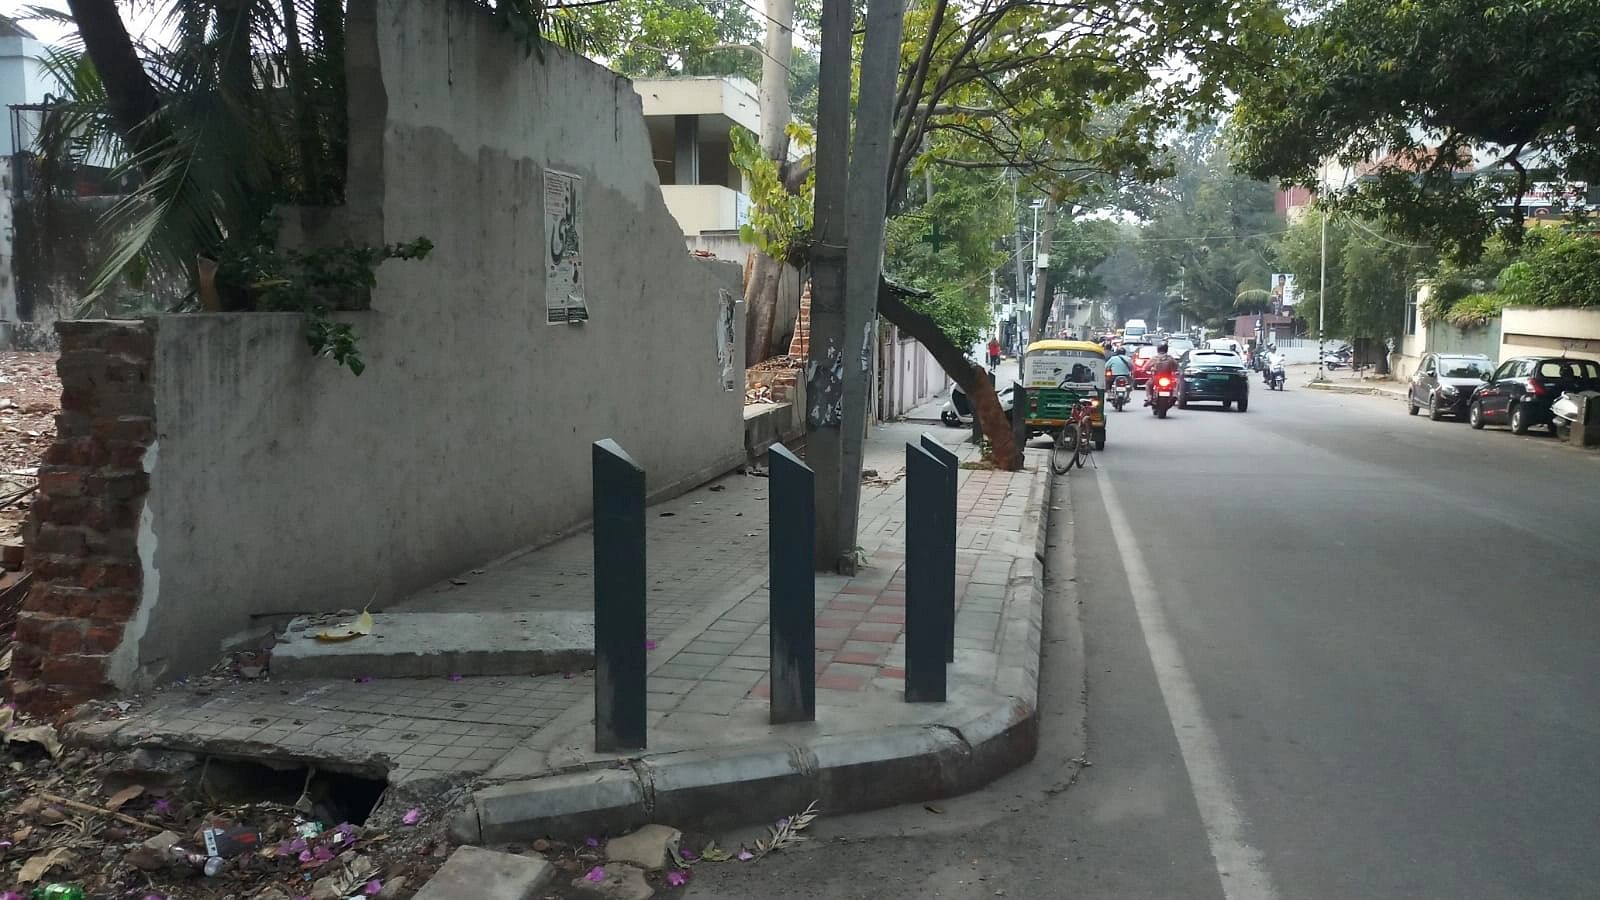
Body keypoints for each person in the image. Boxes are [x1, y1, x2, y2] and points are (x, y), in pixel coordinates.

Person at [1144, 341, 1180, 406]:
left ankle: (1149, 397)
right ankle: (1175, 395)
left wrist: (1148, 370)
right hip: (1168, 379)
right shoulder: (1170, 358)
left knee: (1148, 384)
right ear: (1166, 349)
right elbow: (1177, 368)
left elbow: (1145, 367)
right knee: (1176, 383)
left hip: (1156, 379)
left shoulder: (1154, 358)